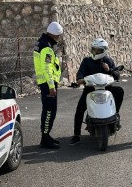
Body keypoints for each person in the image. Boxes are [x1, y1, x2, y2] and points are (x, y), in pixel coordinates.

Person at [69, 38, 124, 145]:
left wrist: (109, 70)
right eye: (94, 50)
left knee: (119, 91)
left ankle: (115, 114)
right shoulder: (87, 61)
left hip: (106, 89)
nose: (95, 52)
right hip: (90, 89)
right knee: (80, 109)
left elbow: (117, 76)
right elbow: (80, 73)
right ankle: (76, 135)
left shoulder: (109, 61)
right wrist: (80, 79)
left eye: (98, 50)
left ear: (104, 51)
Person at [34, 21, 63, 149]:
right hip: (47, 84)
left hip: (46, 83)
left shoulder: (42, 42)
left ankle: (46, 136)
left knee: (49, 110)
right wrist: (51, 86)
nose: (59, 38)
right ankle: (45, 139)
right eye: (58, 35)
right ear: (55, 35)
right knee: (49, 111)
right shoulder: (46, 46)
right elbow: (46, 67)